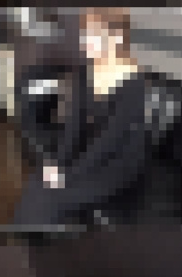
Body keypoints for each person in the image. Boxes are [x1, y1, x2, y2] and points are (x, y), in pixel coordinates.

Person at [11, 7, 154, 227]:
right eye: (85, 33)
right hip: (88, 149)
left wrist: (68, 176)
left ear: (116, 37)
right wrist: (57, 163)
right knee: (38, 182)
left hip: (118, 163)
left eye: (94, 34)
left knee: (53, 196)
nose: (85, 41)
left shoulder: (134, 82)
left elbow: (109, 140)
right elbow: (73, 126)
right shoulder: (84, 74)